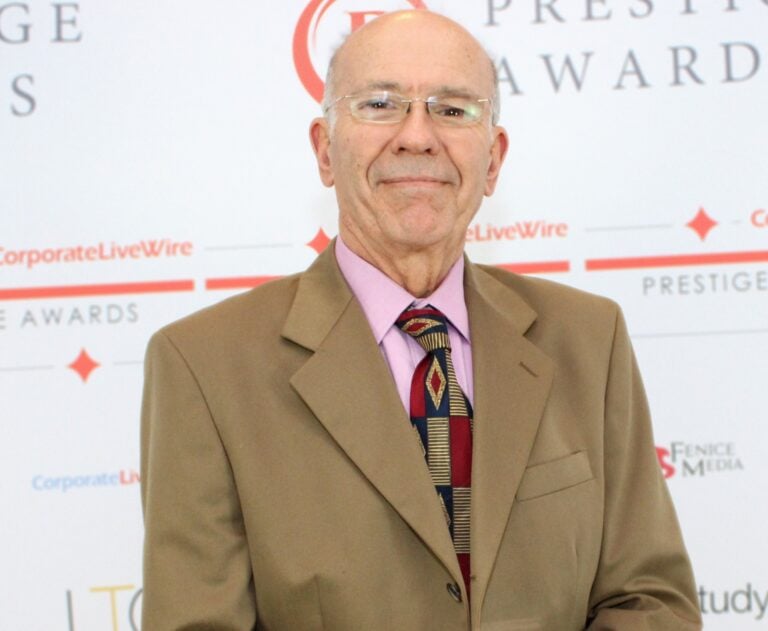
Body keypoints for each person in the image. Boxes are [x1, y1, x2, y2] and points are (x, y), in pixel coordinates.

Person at [140, 10, 702, 630]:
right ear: (325, 150)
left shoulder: (589, 340)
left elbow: (650, 602)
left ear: (493, 161)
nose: (417, 136)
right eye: (380, 104)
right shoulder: (204, 365)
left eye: (454, 109)